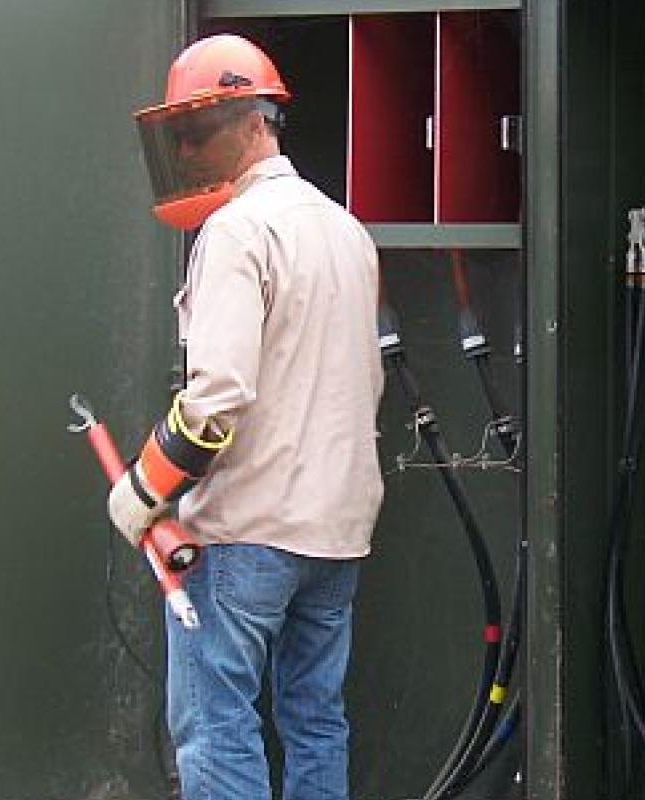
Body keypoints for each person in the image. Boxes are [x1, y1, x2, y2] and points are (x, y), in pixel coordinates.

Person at [107, 34, 383, 800]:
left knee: (216, 726)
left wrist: (141, 491)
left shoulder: (238, 229)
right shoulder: (343, 229)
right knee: (316, 720)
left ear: (251, 120)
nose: (188, 150)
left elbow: (217, 399)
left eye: (197, 130)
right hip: (336, 532)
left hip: (245, 534)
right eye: (182, 136)